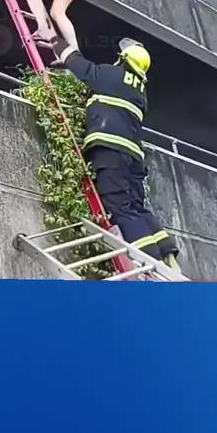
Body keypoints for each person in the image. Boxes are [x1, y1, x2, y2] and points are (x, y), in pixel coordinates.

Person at [53, 35, 181, 272]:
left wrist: (54, 41)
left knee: (120, 207)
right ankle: (167, 255)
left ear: (123, 59)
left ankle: (149, 265)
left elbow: (82, 67)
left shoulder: (111, 75)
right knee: (136, 207)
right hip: (133, 159)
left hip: (110, 152)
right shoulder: (141, 92)